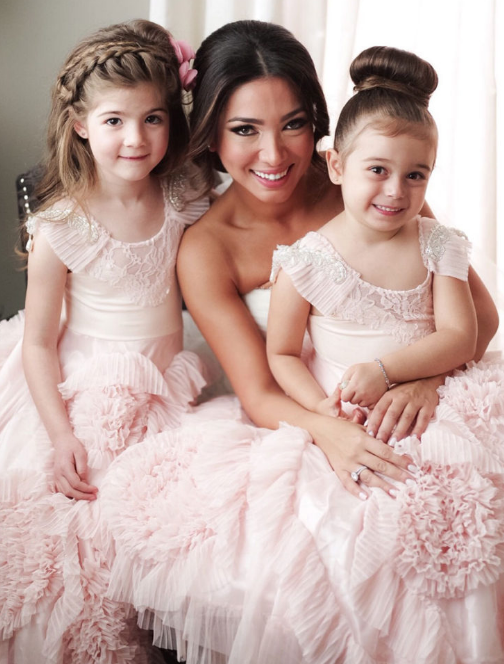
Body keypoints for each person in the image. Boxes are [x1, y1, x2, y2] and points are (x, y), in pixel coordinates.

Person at [101, 21, 504, 664]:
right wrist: (336, 432)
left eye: (292, 124)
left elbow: (471, 318)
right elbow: (261, 387)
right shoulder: (208, 247)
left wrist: (424, 378)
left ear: (322, 131)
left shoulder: (373, 188)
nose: (273, 154)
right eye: (244, 130)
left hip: (419, 394)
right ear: (209, 132)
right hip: (305, 418)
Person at [0, 19, 208, 663]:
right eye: (115, 120)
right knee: (83, 530)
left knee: (178, 523)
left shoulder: (185, 195)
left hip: (168, 388)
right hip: (80, 389)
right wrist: (62, 433)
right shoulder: (61, 223)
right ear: (81, 125)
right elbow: (38, 343)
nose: (135, 138)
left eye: (153, 119)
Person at [267, 46, 477, 422]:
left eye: (415, 175)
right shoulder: (305, 263)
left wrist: (385, 371)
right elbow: (282, 353)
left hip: (433, 406)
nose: (396, 191)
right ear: (337, 166)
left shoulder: (438, 244)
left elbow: (460, 335)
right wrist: (319, 406)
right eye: (378, 170)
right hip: (347, 418)